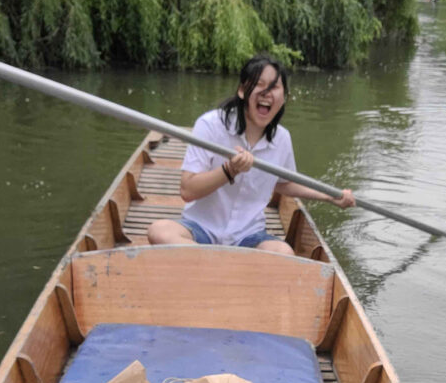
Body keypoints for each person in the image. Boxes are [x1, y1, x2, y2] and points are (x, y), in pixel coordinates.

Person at [146, 56, 355, 255]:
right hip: (200, 229)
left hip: (248, 236)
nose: (266, 93)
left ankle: (209, 262)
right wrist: (229, 170)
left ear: (284, 98)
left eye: (274, 87)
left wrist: (330, 195)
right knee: (160, 232)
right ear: (242, 91)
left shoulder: (282, 139)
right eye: (259, 84)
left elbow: (284, 183)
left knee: (284, 253)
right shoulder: (210, 125)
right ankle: (220, 262)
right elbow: (187, 190)